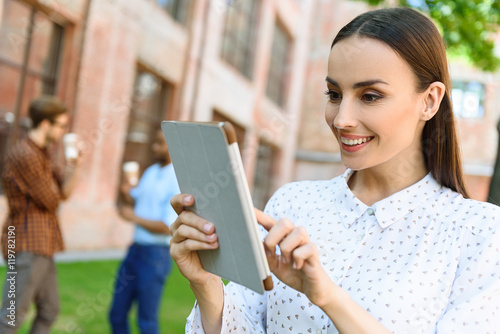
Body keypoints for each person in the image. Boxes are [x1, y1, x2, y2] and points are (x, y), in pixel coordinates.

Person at [168, 7, 500, 334]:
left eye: (370, 96)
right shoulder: (293, 204)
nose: (341, 119)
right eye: (334, 94)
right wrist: (206, 283)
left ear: (429, 101)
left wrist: (328, 297)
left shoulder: (480, 235)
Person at [0, 95, 81, 333]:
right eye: (61, 125)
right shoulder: (26, 155)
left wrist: (75, 164)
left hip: (41, 244)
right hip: (25, 243)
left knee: (48, 310)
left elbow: (63, 192)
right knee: (11, 316)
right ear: (46, 124)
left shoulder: (41, 152)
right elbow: (52, 200)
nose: (63, 131)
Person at [108, 130, 180, 334]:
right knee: (117, 314)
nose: (154, 147)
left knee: (146, 321)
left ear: (172, 146)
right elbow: (134, 200)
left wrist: (133, 217)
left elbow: (168, 227)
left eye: (160, 143)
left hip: (156, 255)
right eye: (155, 142)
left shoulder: (176, 179)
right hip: (135, 251)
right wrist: (126, 193)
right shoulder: (150, 171)